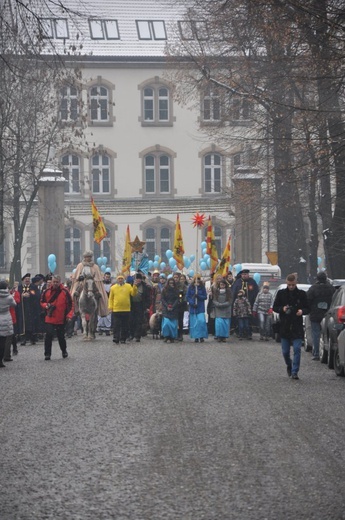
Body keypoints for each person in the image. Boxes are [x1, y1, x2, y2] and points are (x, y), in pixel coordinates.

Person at [273, 273, 309, 380]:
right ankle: (289, 364)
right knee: (285, 352)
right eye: (289, 285)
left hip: (297, 326)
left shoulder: (302, 294)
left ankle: (295, 371)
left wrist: (302, 311)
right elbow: (275, 307)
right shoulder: (281, 293)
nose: (291, 287)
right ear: (286, 283)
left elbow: (307, 308)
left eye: (293, 285)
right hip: (284, 326)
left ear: (296, 283)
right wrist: (282, 309)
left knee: (297, 349)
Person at [40, 275, 73, 360]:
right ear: (51, 281)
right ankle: (47, 354)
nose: (55, 283)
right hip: (50, 317)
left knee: (61, 336)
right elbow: (42, 302)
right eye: (54, 282)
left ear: (60, 282)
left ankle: (64, 351)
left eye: (57, 282)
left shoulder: (65, 292)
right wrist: (46, 305)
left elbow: (71, 305)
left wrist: (69, 315)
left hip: (61, 318)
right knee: (48, 335)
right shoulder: (46, 291)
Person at [71, 250, 108, 318]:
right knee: (73, 293)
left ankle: (100, 310)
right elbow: (76, 277)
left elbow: (98, 278)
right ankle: (75, 310)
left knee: (101, 295)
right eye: (87, 257)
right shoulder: (80, 265)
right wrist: (80, 277)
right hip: (82, 283)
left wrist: (94, 280)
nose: (88, 258)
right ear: (84, 257)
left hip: (92, 283)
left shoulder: (95, 266)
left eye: (90, 257)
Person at [306, 271, 335, 360]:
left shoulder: (313, 288)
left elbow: (307, 301)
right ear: (326, 278)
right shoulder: (331, 288)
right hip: (328, 314)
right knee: (327, 334)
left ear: (317, 279)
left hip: (315, 314)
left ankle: (316, 353)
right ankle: (328, 354)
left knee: (316, 334)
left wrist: (309, 310)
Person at [108, 274, 139, 344]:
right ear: (117, 280)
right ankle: (116, 337)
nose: (120, 280)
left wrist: (134, 286)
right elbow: (110, 298)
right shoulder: (113, 288)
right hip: (116, 309)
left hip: (126, 309)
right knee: (116, 325)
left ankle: (123, 338)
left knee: (125, 325)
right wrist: (110, 307)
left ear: (123, 279)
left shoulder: (128, 286)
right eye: (119, 279)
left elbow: (133, 294)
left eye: (121, 278)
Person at [232, 269, 259, 339]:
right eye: (243, 274)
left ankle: (248, 333)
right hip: (239, 306)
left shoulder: (252, 282)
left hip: (249, 305)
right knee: (239, 320)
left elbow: (256, 292)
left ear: (248, 275)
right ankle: (239, 332)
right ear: (241, 275)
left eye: (246, 274)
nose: (244, 276)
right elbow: (233, 293)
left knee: (249, 320)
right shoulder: (237, 282)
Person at [17, 273, 41, 345]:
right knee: (23, 324)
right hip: (23, 310)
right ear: (23, 280)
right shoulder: (20, 287)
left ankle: (32, 338)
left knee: (32, 323)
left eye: (28, 279)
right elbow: (17, 296)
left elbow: (37, 295)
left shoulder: (33, 287)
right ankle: (23, 339)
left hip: (32, 309)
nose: (27, 280)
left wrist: (30, 294)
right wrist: (22, 295)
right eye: (25, 279)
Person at [129, 273, 151, 342]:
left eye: (139, 279)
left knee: (139, 321)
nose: (138, 280)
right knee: (131, 320)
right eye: (137, 279)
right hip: (131, 305)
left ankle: (137, 336)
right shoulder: (130, 285)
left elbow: (148, 297)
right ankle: (131, 334)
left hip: (140, 305)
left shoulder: (144, 287)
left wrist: (147, 306)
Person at [186, 275, 208, 343]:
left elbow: (205, 297)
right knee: (195, 323)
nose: (197, 280)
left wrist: (198, 296)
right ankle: (196, 336)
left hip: (200, 307)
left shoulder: (202, 287)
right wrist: (192, 303)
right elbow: (188, 296)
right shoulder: (191, 287)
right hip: (193, 308)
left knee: (201, 321)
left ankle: (201, 336)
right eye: (196, 279)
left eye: (198, 279)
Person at [0, 280, 17, 367]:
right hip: (5, 318)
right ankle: (1, 360)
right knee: (3, 341)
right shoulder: (9, 297)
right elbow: (14, 304)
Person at [212, 278, 232, 342]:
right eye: (221, 285)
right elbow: (214, 300)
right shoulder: (216, 292)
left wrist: (224, 304)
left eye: (223, 285)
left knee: (225, 325)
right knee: (219, 324)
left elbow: (230, 301)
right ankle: (219, 336)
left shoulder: (229, 292)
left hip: (226, 310)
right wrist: (218, 304)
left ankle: (224, 337)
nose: (222, 286)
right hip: (218, 310)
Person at [161, 277, 180, 343]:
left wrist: (173, 306)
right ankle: (166, 336)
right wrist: (167, 306)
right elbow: (162, 299)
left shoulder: (176, 290)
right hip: (166, 308)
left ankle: (172, 336)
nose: (171, 284)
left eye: (172, 283)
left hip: (174, 308)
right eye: (170, 283)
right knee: (166, 323)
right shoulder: (164, 290)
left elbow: (177, 299)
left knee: (173, 324)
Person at [97, 271, 113, 336]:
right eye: (106, 277)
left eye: (108, 277)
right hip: (101, 301)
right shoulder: (101, 285)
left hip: (108, 301)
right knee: (100, 315)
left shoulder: (112, 285)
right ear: (104, 277)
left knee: (108, 316)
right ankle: (100, 329)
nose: (107, 278)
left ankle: (107, 330)